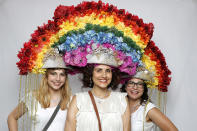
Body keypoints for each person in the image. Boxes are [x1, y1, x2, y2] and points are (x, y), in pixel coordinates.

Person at [65, 44, 131, 131]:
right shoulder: (78, 100)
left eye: (108, 71)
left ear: (112, 75)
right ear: (91, 73)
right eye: (99, 70)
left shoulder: (121, 100)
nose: (104, 75)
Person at [7, 49, 72, 131]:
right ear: (46, 76)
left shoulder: (71, 100)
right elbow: (12, 117)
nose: (58, 79)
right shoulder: (33, 97)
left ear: (65, 78)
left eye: (62, 74)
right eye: (53, 74)